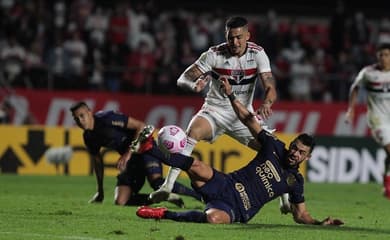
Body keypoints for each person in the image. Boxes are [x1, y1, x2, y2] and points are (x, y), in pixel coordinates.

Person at [134, 77, 343, 225]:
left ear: (307, 157)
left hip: (240, 209)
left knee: (213, 219)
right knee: (195, 165)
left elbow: (301, 215)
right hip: (225, 183)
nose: (295, 153)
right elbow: (249, 120)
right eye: (295, 148)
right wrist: (232, 96)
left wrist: (318, 223)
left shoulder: (295, 182)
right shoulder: (274, 146)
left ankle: (164, 214)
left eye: (301, 152)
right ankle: (150, 147)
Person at [149, 15, 291, 212]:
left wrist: (267, 102)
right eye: (230, 37)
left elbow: (270, 84)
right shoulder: (214, 54)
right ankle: (167, 186)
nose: (234, 42)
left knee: (274, 150)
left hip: (242, 115)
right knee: (193, 132)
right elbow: (183, 78)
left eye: (239, 37)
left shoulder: (258, 54)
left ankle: (284, 201)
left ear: (248, 35)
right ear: (225, 36)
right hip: (214, 111)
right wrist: (193, 85)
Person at [70, 101, 201, 207]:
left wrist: (128, 153)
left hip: (145, 149)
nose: (80, 121)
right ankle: (164, 197)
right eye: (76, 119)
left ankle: (198, 195)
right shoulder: (88, 137)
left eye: (82, 116)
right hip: (131, 161)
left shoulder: (107, 118)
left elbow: (141, 126)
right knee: (121, 201)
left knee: (156, 182)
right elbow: (98, 163)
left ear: (89, 112)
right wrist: (100, 191)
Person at [345, 43, 390, 199]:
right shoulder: (369, 73)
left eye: (386, 55)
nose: (383, 58)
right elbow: (355, 87)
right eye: (381, 55)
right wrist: (351, 109)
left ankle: (387, 184)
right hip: (377, 119)